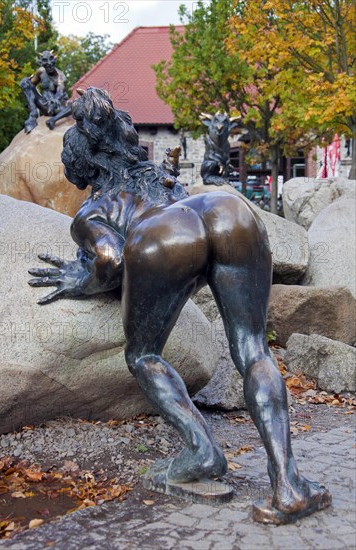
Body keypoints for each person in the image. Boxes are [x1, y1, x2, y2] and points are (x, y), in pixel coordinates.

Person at [28, 87, 330, 523]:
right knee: (253, 350)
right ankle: (288, 485)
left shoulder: (93, 211)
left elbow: (109, 261)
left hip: (162, 238)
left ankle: (201, 450)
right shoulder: (160, 177)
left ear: (80, 166)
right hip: (227, 211)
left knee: (143, 355)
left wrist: (82, 280)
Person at [20, 50, 71, 133]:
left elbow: (60, 92)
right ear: (41, 63)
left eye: (51, 61)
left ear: (54, 61)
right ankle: (32, 115)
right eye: (45, 63)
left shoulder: (60, 76)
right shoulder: (41, 71)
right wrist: (27, 82)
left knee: (73, 106)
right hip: (44, 102)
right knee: (24, 83)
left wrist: (55, 99)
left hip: (57, 107)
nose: (49, 64)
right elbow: (31, 84)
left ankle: (53, 120)